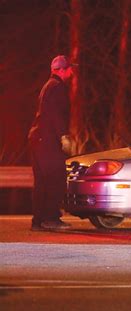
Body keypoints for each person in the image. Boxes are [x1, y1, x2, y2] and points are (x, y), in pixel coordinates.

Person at [28, 55, 76, 231]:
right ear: (62, 70)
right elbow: (56, 114)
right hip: (48, 140)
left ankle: (38, 220)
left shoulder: (47, 86)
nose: (71, 72)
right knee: (55, 178)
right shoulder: (57, 87)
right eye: (70, 68)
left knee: (42, 181)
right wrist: (63, 136)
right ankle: (51, 219)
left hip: (38, 138)